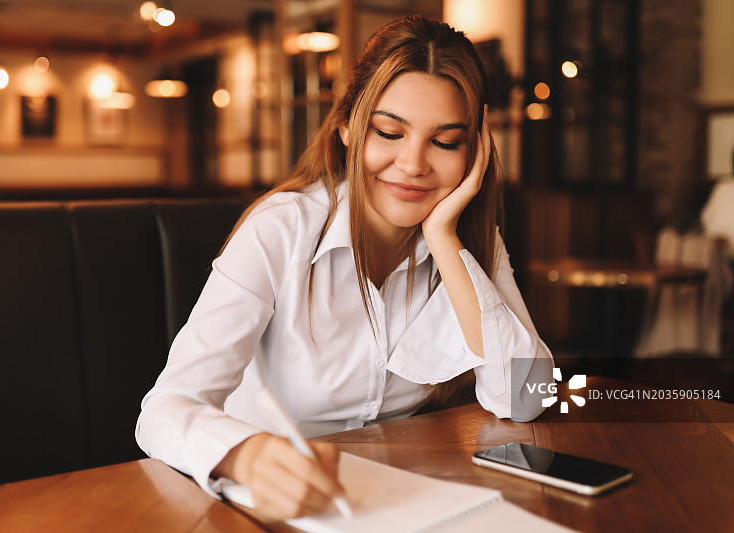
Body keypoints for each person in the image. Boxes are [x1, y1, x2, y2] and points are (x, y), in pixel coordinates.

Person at [136, 15, 553, 521]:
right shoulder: (280, 230)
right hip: (263, 508)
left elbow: (527, 399)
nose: (414, 164)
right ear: (349, 127)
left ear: (476, 151)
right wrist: (245, 456)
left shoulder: (471, 241)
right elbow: (164, 408)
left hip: (402, 501)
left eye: (445, 142)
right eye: (389, 132)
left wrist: (445, 240)